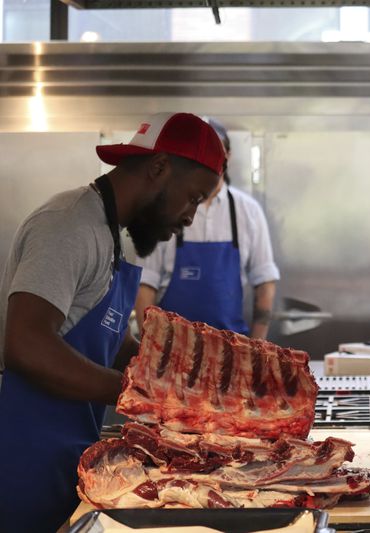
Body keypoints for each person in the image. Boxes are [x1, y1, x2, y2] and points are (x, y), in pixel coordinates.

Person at [0, 112, 225, 532]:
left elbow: (110, 338)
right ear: (159, 169)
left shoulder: (108, 234)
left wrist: (181, 381)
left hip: (59, 462)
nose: (191, 216)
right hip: (17, 464)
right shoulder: (68, 225)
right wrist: (142, 399)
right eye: (193, 197)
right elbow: (26, 343)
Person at [133, 118, 279, 339]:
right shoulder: (165, 208)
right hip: (174, 350)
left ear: (227, 156)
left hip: (233, 351)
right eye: (198, 153)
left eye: (215, 151)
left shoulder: (248, 211)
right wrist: (153, 347)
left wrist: (257, 348)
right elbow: (145, 285)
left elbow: (264, 283)